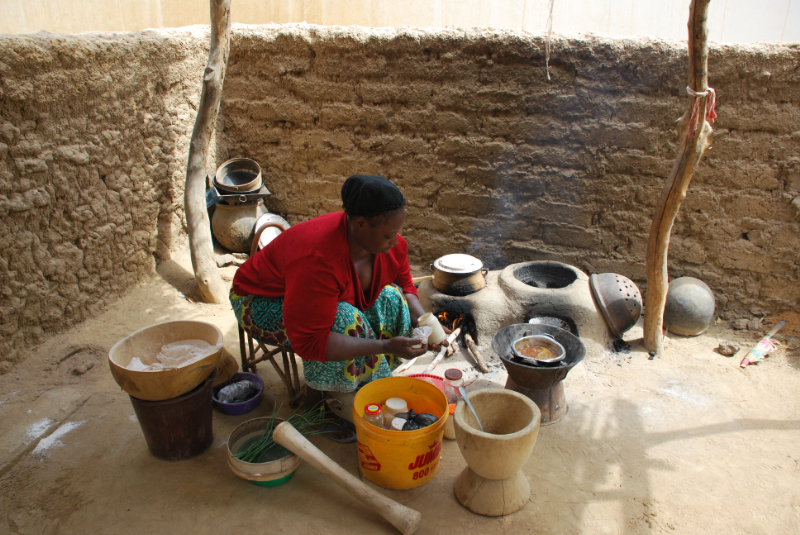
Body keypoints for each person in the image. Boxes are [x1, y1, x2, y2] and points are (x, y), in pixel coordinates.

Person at [230, 174, 438, 400]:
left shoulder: (384, 244)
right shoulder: (318, 259)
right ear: (360, 223)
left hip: (309, 292)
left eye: (397, 233)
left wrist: (427, 322)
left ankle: (371, 375)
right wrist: (385, 345)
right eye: (388, 235)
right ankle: (326, 401)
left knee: (391, 297)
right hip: (258, 301)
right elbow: (313, 341)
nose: (396, 241)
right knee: (344, 321)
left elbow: (406, 287)